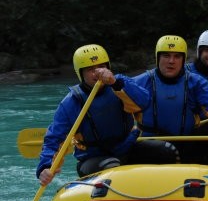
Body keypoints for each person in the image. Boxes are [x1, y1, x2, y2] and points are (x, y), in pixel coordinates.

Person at [36, 44, 177, 185]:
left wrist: (115, 84)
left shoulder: (120, 83)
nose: (97, 73)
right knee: (112, 165)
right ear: (80, 73)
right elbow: (53, 138)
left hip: (127, 148)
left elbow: (144, 102)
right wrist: (45, 167)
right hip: (92, 159)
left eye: (101, 67)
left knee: (167, 151)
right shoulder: (71, 102)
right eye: (90, 70)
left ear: (108, 67)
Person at [131, 35, 208, 164]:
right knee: (165, 150)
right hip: (150, 143)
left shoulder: (198, 81)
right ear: (158, 58)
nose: (171, 61)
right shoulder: (141, 81)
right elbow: (118, 91)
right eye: (166, 56)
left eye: (177, 56)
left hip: (186, 140)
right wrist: (112, 81)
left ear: (183, 59)